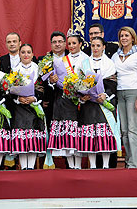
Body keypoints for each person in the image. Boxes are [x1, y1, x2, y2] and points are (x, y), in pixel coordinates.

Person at [47, 29, 89, 169]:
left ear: (80, 44)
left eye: (74, 43)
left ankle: (79, 166)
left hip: (82, 101)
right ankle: (71, 166)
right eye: (69, 43)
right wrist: (55, 81)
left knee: (79, 134)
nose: (71, 46)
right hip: (65, 101)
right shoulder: (62, 61)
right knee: (68, 136)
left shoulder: (86, 59)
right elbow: (56, 80)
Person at [78, 36, 120, 169]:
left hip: (103, 103)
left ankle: (106, 166)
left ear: (103, 47)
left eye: (98, 45)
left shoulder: (109, 64)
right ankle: (93, 165)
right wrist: (82, 95)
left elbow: (112, 82)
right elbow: (77, 82)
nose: (95, 48)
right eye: (93, 45)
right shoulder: (84, 63)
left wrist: (105, 94)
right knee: (91, 136)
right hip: (89, 104)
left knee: (104, 136)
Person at [111, 26, 137, 168]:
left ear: (132, 37)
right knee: (123, 130)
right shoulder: (115, 55)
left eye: (126, 35)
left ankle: (133, 164)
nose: (124, 38)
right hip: (119, 92)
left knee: (132, 128)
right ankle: (128, 160)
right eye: (121, 36)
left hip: (133, 92)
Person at [10, 44, 47, 170]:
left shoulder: (38, 69)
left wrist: (34, 98)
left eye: (28, 52)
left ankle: (30, 168)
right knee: (21, 141)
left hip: (34, 108)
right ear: (19, 54)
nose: (26, 55)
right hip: (19, 109)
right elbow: (8, 90)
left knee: (32, 141)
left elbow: (43, 89)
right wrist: (18, 98)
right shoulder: (14, 70)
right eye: (23, 52)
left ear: (32, 54)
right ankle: (23, 167)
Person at [37, 31, 69, 130]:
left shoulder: (71, 56)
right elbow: (39, 82)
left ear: (65, 43)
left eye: (60, 41)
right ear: (51, 44)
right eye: (54, 42)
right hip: (50, 101)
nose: (57, 44)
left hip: (69, 99)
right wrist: (49, 81)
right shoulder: (44, 60)